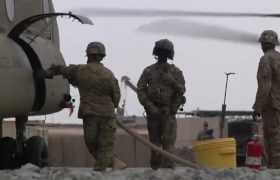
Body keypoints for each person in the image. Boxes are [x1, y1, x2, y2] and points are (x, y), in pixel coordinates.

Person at [43, 42, 120, 171]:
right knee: (104, 144)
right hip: (105, 113)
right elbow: (116, 96)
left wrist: (46, 73)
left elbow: (61, 69)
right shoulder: (109, 74)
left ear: (88, 55)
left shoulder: (79, 70)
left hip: (92, 113)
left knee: (92, 143)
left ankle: (100, 170)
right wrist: (111, 105)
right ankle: (111, 163)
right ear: (102, 56)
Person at [137, 39, 186, 170]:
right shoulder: (148, 71)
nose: (163, 55)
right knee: (155, 146)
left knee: (169, 145)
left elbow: (181, 91)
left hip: (168, 112)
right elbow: (140, 90)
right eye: (161, 52)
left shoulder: (175, 72)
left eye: (165, 53)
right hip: (153, 113)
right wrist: (149, 106)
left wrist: (172, 108)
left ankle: (169, 171)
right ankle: (156, 170)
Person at [253, 30, 280, 169]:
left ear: (263, 44)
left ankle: (278, 169)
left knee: (273, 137)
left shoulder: (266, 59)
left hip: (272, 104)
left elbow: (265, 85)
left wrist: (257, 107)